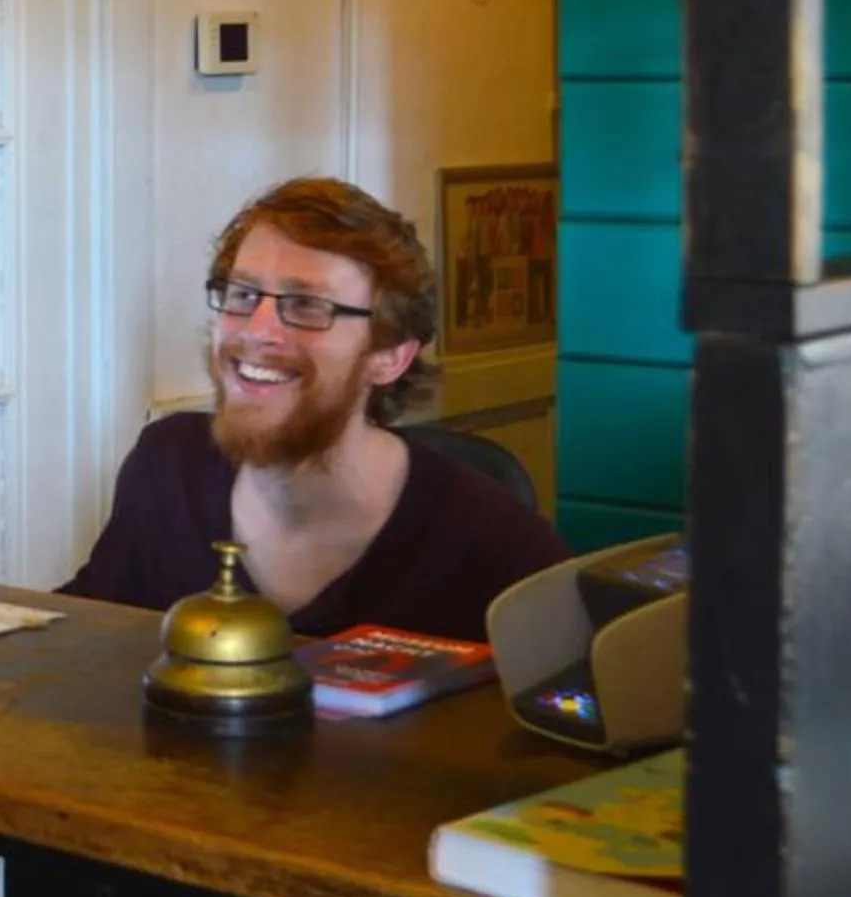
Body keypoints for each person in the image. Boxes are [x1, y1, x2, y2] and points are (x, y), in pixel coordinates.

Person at [62, 175, 564, 639]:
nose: (257, 331)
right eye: (242, 295)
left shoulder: (490, 541)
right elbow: (83, 638)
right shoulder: (168, 465)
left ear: (390, 357)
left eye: (307, 306)